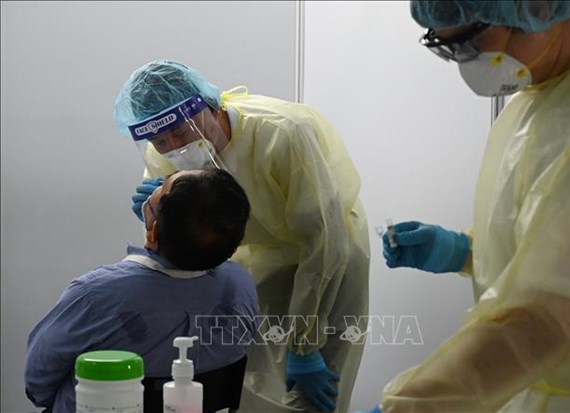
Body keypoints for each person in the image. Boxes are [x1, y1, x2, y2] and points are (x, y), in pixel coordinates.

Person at [364, 1, 570, 412]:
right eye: (448, 49)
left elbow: (543, 316)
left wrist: (406, 407)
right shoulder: (532, 103)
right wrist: (462, 250)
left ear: (536, 6)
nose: (468, 63)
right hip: (534, 389)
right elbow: (554, 245)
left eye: (469, 41)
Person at [113, 60, 371, 413]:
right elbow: (175, 239)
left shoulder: (283, 133)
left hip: (327, 258)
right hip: (254, 260)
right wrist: (155, 217)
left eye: (182, 132)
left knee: (315, 389)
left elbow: (322, 240)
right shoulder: (165, 156)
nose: (174, 146)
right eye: (159, 140)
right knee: (250, 381)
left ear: (209, 105)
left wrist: (306, 347)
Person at [24, 169, 259, 413]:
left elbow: (37, 383)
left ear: (153, 230)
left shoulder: (94, 295)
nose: (156, 185)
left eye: (162, 187)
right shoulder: (242, 284)